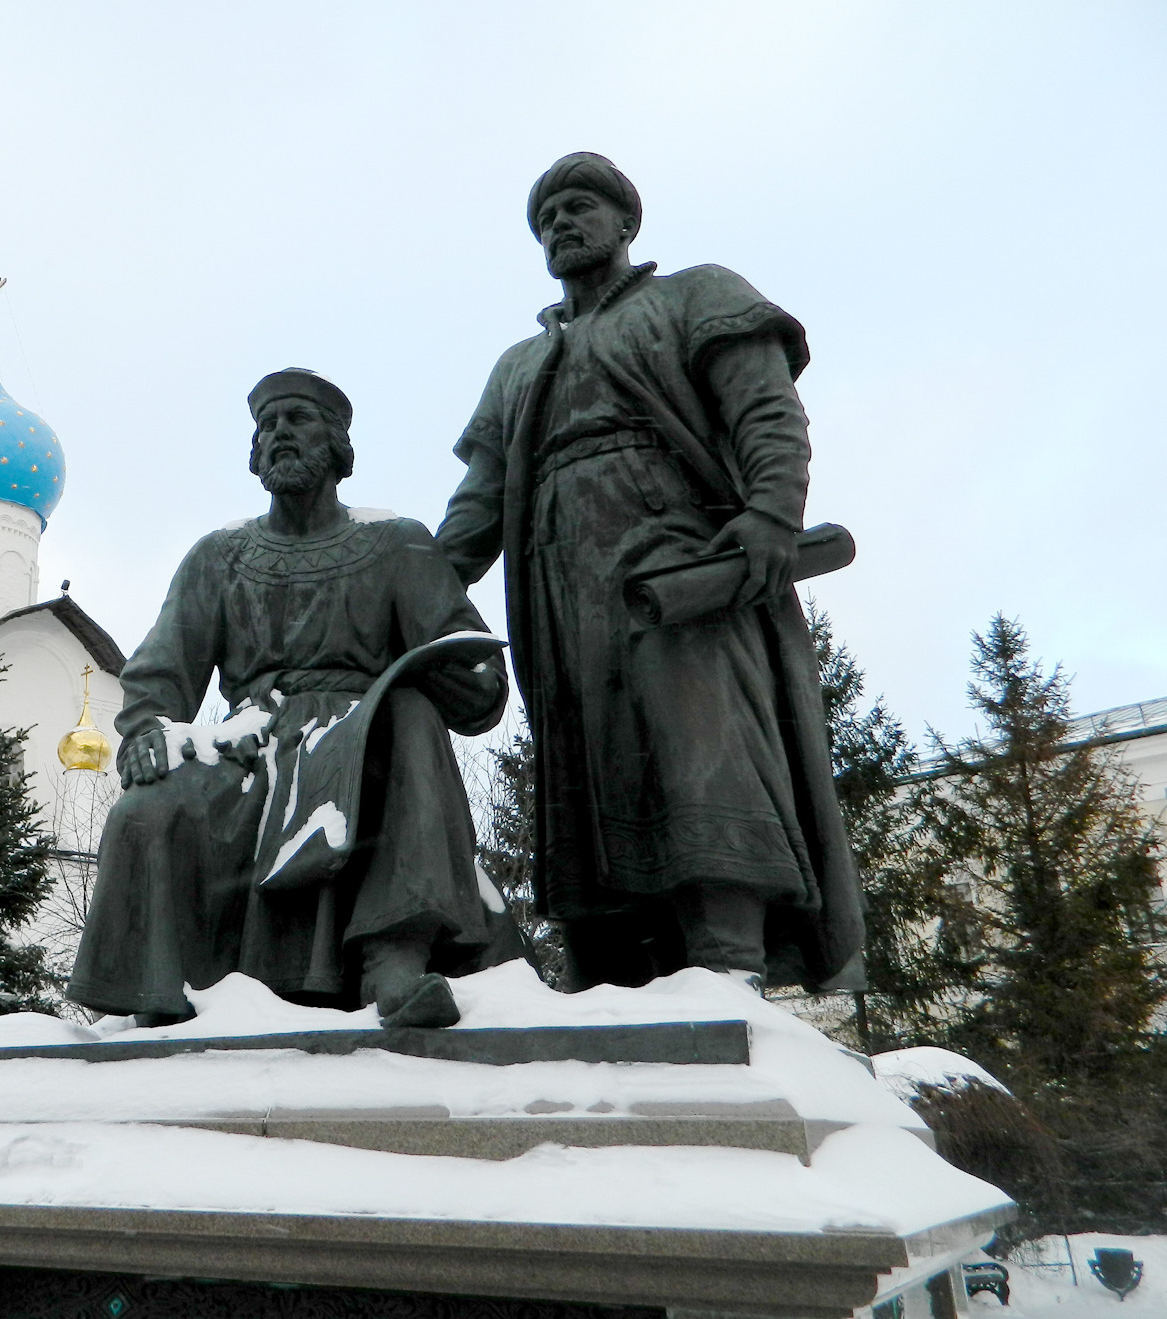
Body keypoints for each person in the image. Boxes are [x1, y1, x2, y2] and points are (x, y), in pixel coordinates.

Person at [435, 153, 863, 992]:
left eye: (580, 204)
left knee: (700, 739)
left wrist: (772, 512)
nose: (561, 220)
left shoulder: (692, 296)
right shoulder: (521, 364)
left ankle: (729, 957)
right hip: (562, 592)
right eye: (546, 214)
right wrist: (420, 596)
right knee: (587, 762)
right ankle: (613, 980)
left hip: (683, 566)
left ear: (627, 223)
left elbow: (765, 408)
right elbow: (478, 502)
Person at [69, 370, 524, 1028]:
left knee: (411, 710)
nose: (278, 431)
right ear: (255, 454)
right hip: (251, 746)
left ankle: (394, 953)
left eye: (298, 419)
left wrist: (467, 679)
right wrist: (147, 730)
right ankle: (159, 996)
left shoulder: (397, 543)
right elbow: (160, 671)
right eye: (267, 424)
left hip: (365, 736)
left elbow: (468, 656)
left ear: (337, 445)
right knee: (149, 807)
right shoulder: (219, 557)